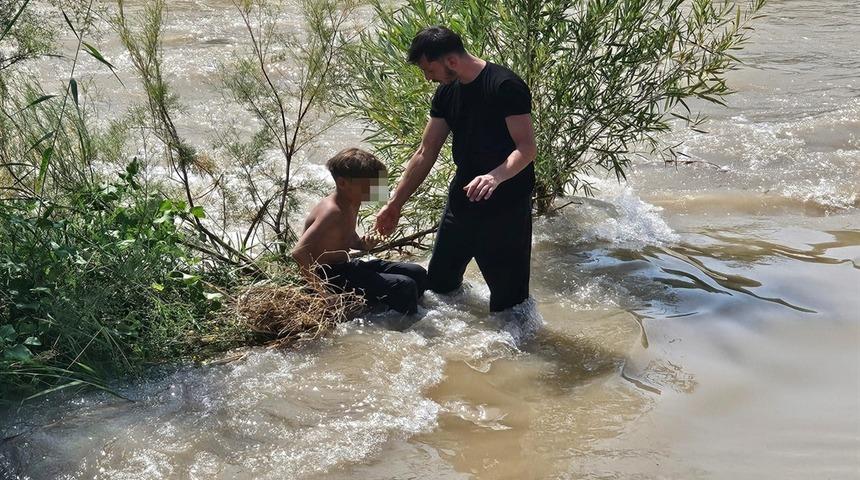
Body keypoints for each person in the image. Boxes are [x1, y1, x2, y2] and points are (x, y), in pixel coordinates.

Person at [375, 26, 537, 312]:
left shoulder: (504, 86)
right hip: (463, 199)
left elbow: (526, 148)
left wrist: (494, 176)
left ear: (450, 61)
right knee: (439, 286)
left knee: (509, 304)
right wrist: (394, 204)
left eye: (429, 70)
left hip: (506, 203)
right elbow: (426, 152)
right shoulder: (446, 93)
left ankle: (517, 353)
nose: (427, 79)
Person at [291, 148, 428, 314]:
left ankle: (411, 310)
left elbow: (346, 239)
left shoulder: (352, 201)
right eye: (368, 186)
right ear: (342, 183)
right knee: (404, 286)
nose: (373, 191)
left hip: (346, 267)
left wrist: (364, 243)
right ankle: (406, 323)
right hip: (329, 276)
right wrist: (322, 293)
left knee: (417, 273)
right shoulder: (332, 211)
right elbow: (299, 252)